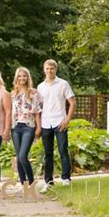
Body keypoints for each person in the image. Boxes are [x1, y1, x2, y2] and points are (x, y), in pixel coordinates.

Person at [37, 59, 76, 192]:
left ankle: (66, 178)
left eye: (52, 68)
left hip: (60, 122)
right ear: (44, 70)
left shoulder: (63, 84)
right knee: (47, 154)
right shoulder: (40, 87)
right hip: (45, 123)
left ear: (56, 69)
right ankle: (48, 181)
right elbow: (39, 107)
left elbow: (72, 103)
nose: (49, 71)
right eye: (47, 68)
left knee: (63, 151)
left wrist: (67, 119)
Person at [10, 67, 42, 188]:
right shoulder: (13, 94)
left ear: (28, 78)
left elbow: (37, 112)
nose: (22, 78)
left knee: (23, 156)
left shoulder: (34, 93)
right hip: (15, 127)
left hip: (28, 126)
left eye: (24, 76)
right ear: (16, 78)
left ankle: (31, 183)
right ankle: (24, 186)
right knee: (19, 157)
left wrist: (38, 128)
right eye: (19, 76)